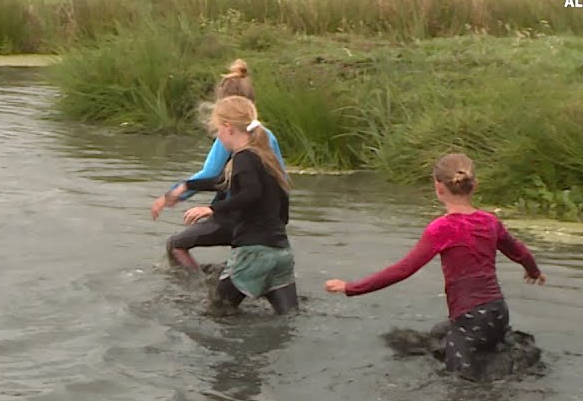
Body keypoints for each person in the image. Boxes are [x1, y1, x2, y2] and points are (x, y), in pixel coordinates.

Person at [324, 153, 548, 382]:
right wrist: (533, 272)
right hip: (498, 314)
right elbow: (519, 250)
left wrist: (351, 287)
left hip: (470, 319)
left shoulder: (441, 228)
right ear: (475, 185)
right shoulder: (490, 221)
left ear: (438, 187)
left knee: (460, 385)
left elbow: (403, 269)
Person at [150, 59, 288, 271]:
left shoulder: (233, 137)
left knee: (175, 245)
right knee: (240, 267)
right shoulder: (265, 135)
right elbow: (282, 181)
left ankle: (197, 290)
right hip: (270, 224)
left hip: (238, 215)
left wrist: (173, 195)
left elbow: (213, 173)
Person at [165, 96, 297, 315]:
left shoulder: (243, 157)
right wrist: (187, 185)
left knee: (215, 314)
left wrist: (212, 209)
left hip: (253, 254)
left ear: (228, 128)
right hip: (281, 253)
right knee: (289, 318)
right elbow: (228, 184)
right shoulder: (266, 157)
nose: (218, 137)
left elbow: (250, 193)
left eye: (217, 130)